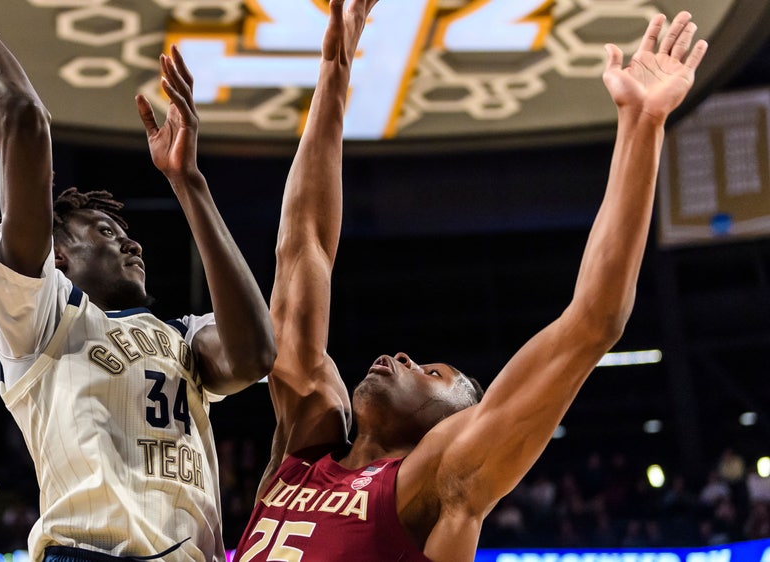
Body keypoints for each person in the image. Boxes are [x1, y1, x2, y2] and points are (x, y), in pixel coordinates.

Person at [236, 3, 707, 560]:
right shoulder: (303, 440)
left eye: (434, 374)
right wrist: (335, 68)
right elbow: (302, 247)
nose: (406, 357)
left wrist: (642, 127)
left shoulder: (440, 478)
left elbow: (591, 323)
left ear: (451, 423)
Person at [0, 1, 276, 561]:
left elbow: (255, 355)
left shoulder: (185, 337)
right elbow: (24, 120)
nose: (131, 242)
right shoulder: (41, 322)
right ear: (58, 256)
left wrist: (189, 182)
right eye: (106, 231)